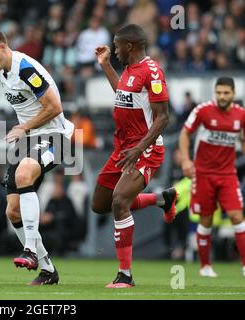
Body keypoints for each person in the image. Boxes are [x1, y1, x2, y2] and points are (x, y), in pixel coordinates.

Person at [0, 28, 75, 285]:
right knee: (13, 212)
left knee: (23, 174)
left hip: (56, 136)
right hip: (30, 140)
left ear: (3, 46)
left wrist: (24, 127)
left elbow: (54, 107)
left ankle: (30, 250)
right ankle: (48, 270)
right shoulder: (1, 70)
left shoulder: (25, 69)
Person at [91, 24, 178, 288]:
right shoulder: (129, 70)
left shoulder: (152, 71)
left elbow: (163, 117)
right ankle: (161, 199)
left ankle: (125, 276)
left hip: (145, 150)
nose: (114, 50)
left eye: (116, 46)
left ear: (130, 46)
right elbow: (123, 96)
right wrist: (106, 65)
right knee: (100, 205)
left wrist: (140, 148)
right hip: (123, 148)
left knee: (119, 201)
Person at [179, 77, 245, 278]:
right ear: (215, 93)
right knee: (206, 220)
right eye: (219, 93)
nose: (222, 96)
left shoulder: (240, 115)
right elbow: (184, 133)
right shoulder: (203, 110)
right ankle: (205, 266)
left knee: (237, 217)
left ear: (233, 94)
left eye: (226, 93)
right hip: (203, 175)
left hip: (227, 175)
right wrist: (186, 161)